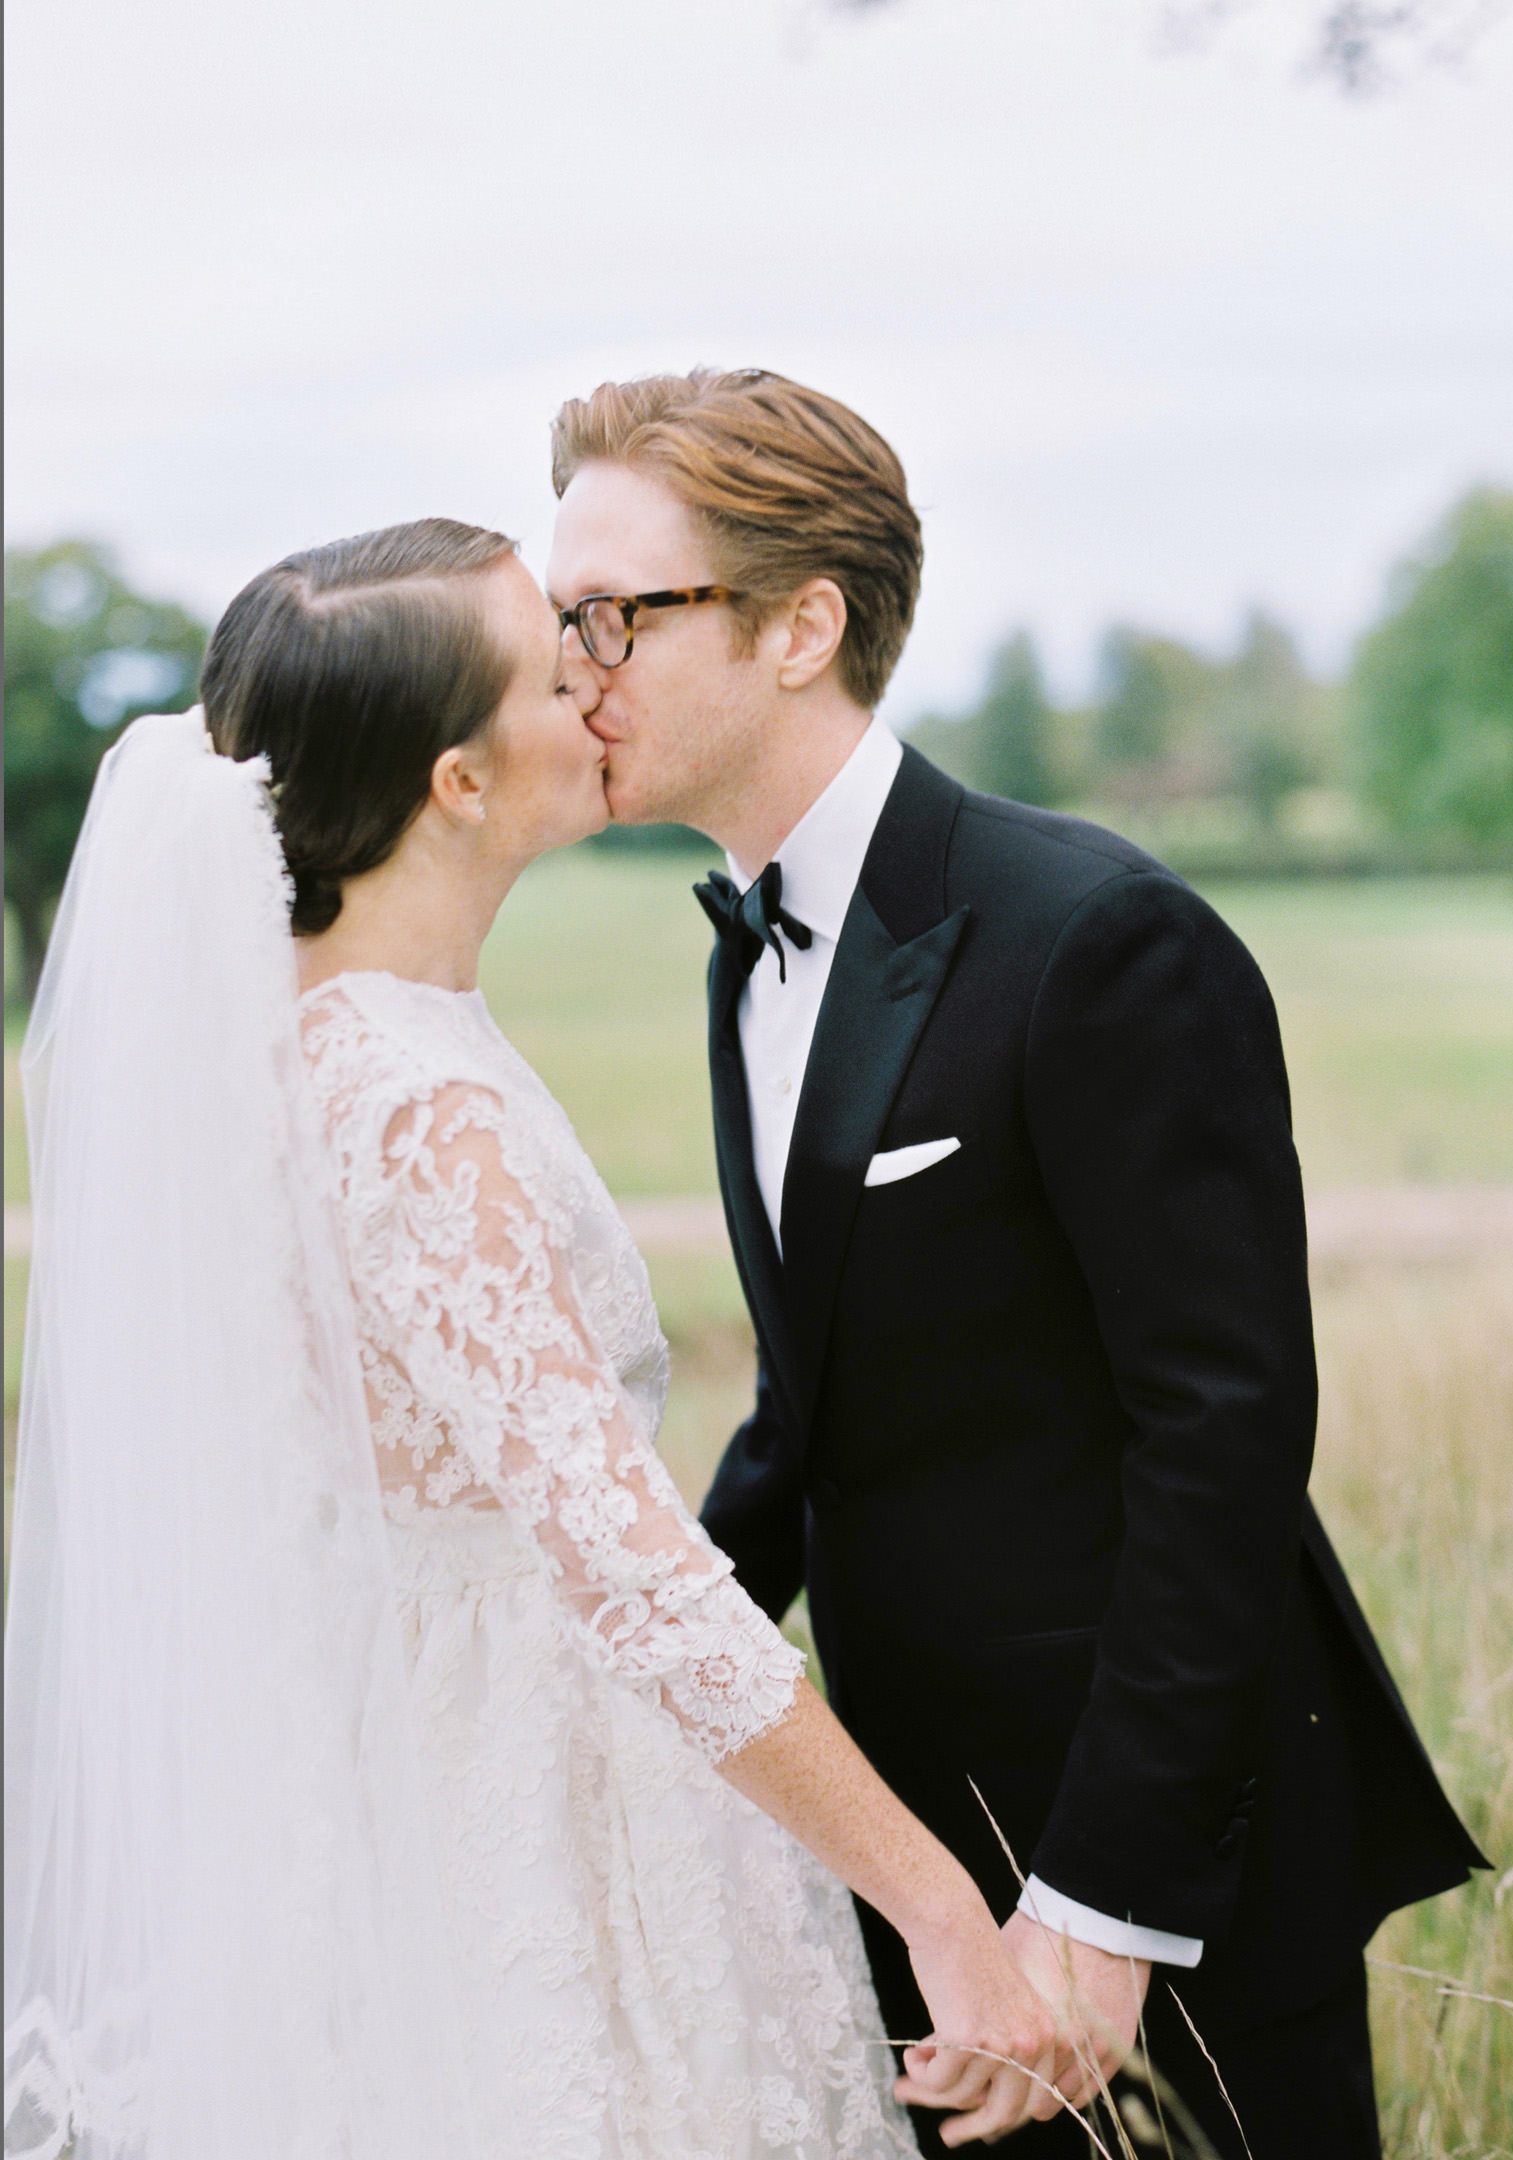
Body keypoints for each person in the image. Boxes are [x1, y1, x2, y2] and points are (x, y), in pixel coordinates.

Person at [2, 519, 1076, 2160]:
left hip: (409, 1757)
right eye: (550, 657)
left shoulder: (327, 1045)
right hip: (528, 1816)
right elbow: (633, 1572)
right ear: (458, 783)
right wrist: (937, 1904)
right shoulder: (414, 1112)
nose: (598, 673)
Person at [545, 371, 1490, 2158]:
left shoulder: (1098, 938)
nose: (572, 661)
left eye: (616, 613)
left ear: (798, 625)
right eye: (557, 613)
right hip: (915, 1855)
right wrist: (631, 1676)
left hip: (1152, 1863)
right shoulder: (749, 958)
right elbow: (822, 1409)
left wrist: (1104, 1903)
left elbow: (1221, 1437)